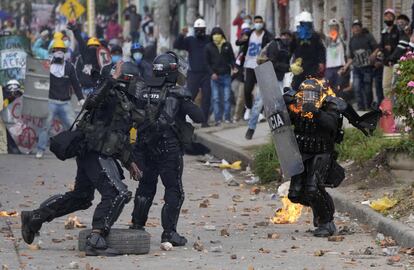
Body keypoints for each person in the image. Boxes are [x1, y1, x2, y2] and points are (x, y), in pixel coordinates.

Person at [22, 63, 143, 256]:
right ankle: (96, 239)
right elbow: (91, 102)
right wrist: (111, 80)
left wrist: (130, 163)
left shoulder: (125, 103)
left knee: (82, 197)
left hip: (96, 154)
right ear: (124, 79)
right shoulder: (108, 94)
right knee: (117, 193)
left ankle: (35, 217)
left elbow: (118, 139)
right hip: (94, 153)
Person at [283, 78, 379, 237]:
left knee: (313, 188)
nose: (308, 99)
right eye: (304, 96)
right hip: (302, 153)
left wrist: (316, 113)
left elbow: (331, 125)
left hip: (321, 152)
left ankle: (327, 223)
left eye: (312, 96)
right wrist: (283, 107)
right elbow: (283, 121)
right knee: (296, 194)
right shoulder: (295, 106)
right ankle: (320, 209)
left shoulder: (329, 106)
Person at [130, 52, 204, 246]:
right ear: (172, 71)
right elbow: (199, 116)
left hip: (145, 147)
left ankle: (137, 226)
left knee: (145, 187)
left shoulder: (141, 90)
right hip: (168, 149)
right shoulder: (177, 93)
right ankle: (169, 234)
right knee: (174, 190)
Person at [35, 39, 85, 159]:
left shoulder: (69, 67)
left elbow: (76, 84)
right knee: (45, 127)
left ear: (65, 52)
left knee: (73, 127)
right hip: (50, 101)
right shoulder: (47, 66)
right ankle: (40, 150)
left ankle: (75, 151)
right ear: (52, 51)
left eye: (61, 50)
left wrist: (81, 98)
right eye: (56, 50)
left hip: (65, 103)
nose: (59, 52)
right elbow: (38, 80)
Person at [245, 30, 292, 139]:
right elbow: (272, 63)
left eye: (287, 36)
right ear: (280, 36)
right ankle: (251, 129)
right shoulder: (274, 45)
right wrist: (288, 68)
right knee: (258, 105)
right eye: (284, 35)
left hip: (279, 78)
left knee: (281, 105)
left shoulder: (288, 47)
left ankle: (281, 131)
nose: (286, 37)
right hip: (267, 77)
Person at [173, 18, 211, 127]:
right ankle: (181, 118)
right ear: (194, 30)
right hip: (193, 73)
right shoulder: (190, 40)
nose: (199, 31)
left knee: (207, 97)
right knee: (189, 96)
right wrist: (181, 34)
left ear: (204, 29)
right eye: (197, 29)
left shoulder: (209, 39)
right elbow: (177, 45)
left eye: (201, 29)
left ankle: (204, 121)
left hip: (206, 73)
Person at [236, 15, 273, 120]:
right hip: (249, 65)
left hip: (261, 65)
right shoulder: (249, 33)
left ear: (263, 23)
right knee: (247, 89)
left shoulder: (267, 35)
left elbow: (272, 44)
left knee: (261, 91)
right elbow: (238, 42)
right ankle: (248, 108)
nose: (258, 24)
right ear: (253, 23)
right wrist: (243, 39)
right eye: (256, 22)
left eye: (260, 22)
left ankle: (260, 112)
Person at [340, 20, 378, 110]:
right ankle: (360, 108)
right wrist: (345, 67)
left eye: (358, 27)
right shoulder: (352, 40)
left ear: (361, 28)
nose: (356, 29)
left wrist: (374, 54)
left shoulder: (368, 37)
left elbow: (377, 48)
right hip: (357, 68)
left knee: (368, 88)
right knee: (356, 87)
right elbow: (351, 57)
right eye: (354, 27)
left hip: (367, 67)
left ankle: (369, 107)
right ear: (352, 29)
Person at [205, 27, 235, 125]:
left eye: (218, 33)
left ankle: (227, 118)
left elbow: (232, 59)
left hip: (226, 75)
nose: (216, 36)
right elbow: (206, 63)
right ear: (212, 36)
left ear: (222, 34)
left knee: (227, 98)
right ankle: (218, 119)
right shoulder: (208, 47)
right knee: (216, 99)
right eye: (214, 34)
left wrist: (234, 67)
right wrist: (211, 73)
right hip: (214, 77)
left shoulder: (227, 45)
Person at [290, 11, 326, 90]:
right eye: (304, 24)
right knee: (296, 86)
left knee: (311, 87)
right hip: (299, 65)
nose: (306, 26)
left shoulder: (315, 36)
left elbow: (321, 49)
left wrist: (321, 62)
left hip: (312, 64)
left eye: (308, 24)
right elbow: (291, 50)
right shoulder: (295, 36)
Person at [69, 21, 102, 97]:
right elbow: (81, 42)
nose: (93, 48)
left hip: (97, 90)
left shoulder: (101, 59)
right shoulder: (84, 55)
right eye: (92, 46)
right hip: (85, 90)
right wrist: (75, 31)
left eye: (95, 46)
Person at [321, 18, 347, 92]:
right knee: (327, 87)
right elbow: (321, 35)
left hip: (340, 67)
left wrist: (342, 24)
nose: (333, 28)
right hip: (329, 68)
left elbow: (345, 35)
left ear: (338, 28)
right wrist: (321, 25)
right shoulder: (327, 39)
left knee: (339, 87)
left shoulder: (341, 38)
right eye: (332, 26)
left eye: (335, 26)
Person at [232, 23, 251, 122]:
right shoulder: (241, 47)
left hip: (253, 76)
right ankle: (236, 116)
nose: (246, 36)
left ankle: (250, 114)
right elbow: (238, 62)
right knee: (240, 98)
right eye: (244, 33)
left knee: (254, 96)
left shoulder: (253, 46)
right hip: (243, 76)